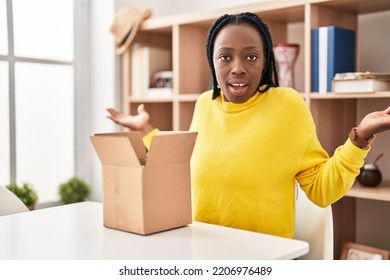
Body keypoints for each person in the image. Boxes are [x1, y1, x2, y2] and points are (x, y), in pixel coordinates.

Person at [107, 12, 390, 238]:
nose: (238, 67)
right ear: (212, 61)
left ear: (265, 60)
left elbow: (321, 190)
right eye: (225, 57)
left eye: (251, 56)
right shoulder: (205, 103)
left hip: (264, 259)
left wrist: (360, 137)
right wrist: (146, 129)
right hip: (201, 251)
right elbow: (183, 163)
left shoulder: (287, 105)